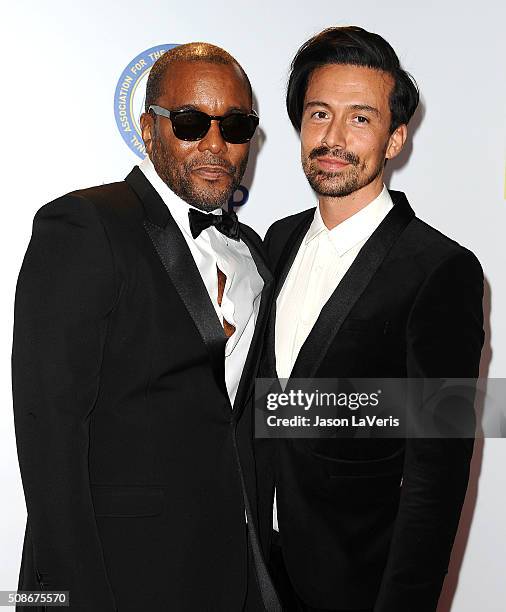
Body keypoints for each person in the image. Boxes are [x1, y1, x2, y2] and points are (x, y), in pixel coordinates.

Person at [12, 42, 281, 612]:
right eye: (189, 122)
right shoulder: (86, 225)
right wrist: (66, 597)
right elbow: (49, 435)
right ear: (148, 128)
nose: (214, 144)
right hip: (116, 573)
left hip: (232, 572)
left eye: (234, 125)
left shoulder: (253, 252)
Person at [257, 26, 484, 612]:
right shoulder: (276, 242)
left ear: (395, 138)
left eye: (360, 118)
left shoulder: (441, 269)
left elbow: (437, 475)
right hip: (258, 571)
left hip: (356, 583)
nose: (333, 137)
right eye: (318, 115)